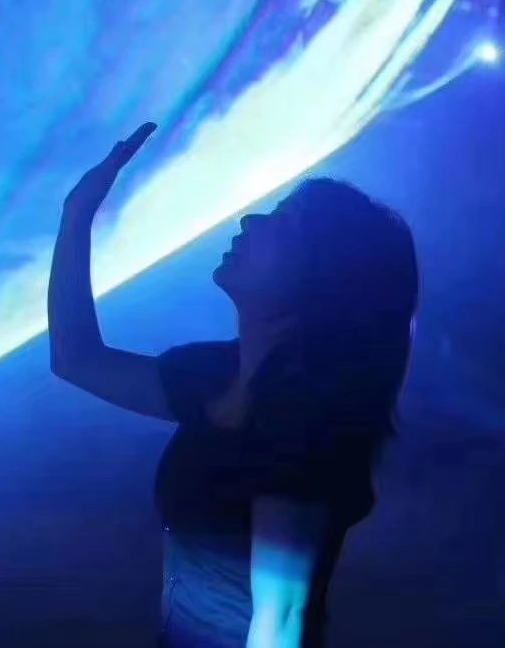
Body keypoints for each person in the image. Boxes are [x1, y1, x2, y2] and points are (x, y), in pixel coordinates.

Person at [48, 123, 420, 648]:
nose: (251, 219)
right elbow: (77, 359)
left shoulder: (305, 427)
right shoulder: (215, 374)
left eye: (283, 223)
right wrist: (77, 213)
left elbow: (280, 619)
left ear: (323, 276)